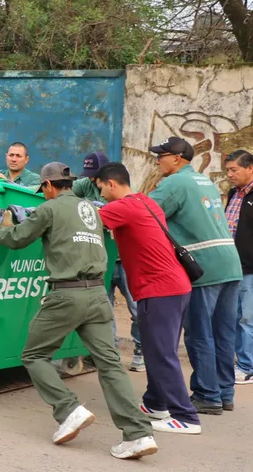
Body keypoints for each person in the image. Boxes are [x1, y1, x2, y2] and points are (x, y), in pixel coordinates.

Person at [0, 162, 157, 460]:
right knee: (110, 365)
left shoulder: (49, 208)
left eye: (43, 190)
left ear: (48, 186)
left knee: (34, 355)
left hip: (67, 295)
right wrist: (35, 218)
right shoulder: (90, 208)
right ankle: (139, 434)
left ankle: (69, 410)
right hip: (97, 295)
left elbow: (16, 239)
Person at [94, 162, 201, 435]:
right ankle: (156, 403)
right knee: (157, 349)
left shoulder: (123, 207)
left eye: (101, 188)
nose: (101, 195)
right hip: (175, 286)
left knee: (162, 353)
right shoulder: (145, 201)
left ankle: (186, 416)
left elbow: (82, 220)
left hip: (159, 289)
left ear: (111, 184)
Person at [148, 137, 243, 414]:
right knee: (223, 333)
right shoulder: (204, 181)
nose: (158, 161)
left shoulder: (174, 183)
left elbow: (145, 213)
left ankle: (207, 394)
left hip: (205, 266)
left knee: (200, 334)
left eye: (161, 155)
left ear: (177, 158)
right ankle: (224, 393)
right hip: (229, 263)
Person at [75, 151, 144, 372]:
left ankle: (141, 351)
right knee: (104, 309)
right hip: (102, 258)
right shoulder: (85, 183)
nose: (92, 180)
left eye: (96, 176)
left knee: (137, 308)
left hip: (123, 260)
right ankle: (110, 353)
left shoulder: (125, 195)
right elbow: (66, 195)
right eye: (89, 175)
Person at [224, 149, 253, 386]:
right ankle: (240, 362)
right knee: (233, 317)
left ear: (250, 168)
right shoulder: (234, 194)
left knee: (247, 319)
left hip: (250, 268)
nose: (229, 175)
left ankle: (247, 367)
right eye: (227, 170)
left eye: (234, 170)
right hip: (232, 266)